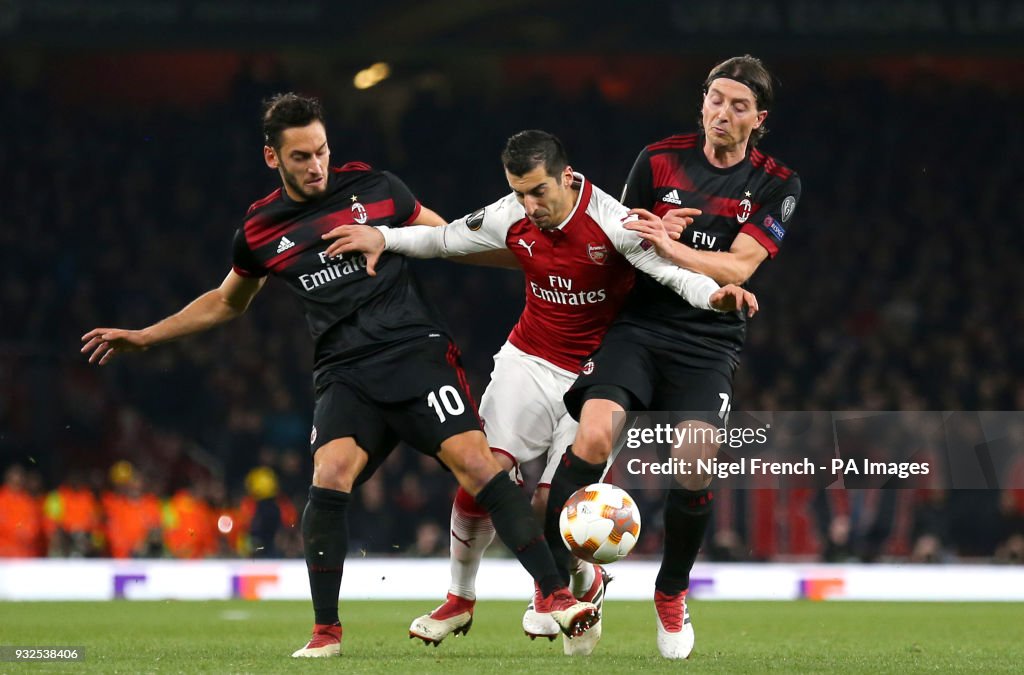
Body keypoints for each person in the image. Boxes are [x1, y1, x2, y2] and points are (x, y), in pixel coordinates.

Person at [80, 93, 599, 657]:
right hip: (344, 371)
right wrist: (146, 336)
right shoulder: (259, 231)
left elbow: (447, 239)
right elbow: (228, 303)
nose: (316, 165)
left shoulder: (377, 190)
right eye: (301, 156)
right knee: (328, 476)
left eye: (322, 150)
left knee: (478, 464)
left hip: (413, 350)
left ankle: (552, 593)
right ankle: (326, 632)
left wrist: (542, 261)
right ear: (271, 158)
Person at [322, 129, 757, 655]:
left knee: (555, 501)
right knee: (483, 475)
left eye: (539, 192)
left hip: (596, 373)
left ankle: (572, 587)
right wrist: (385, 238)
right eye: (519, 192)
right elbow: (441, 240)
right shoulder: (511, 214)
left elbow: (669, 274)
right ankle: (460, 598)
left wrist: (717, 296)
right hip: (528, 360)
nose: (530, 205)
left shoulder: (613, 221)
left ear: (566, 177)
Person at [542, 55, 802, 659]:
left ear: (757, 119)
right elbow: (627, 243)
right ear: (702, 102)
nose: (723, 113)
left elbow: (740, 266)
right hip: (639, 327)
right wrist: (651, 231)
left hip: (708, 341)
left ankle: (671, 591)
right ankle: (568, 587)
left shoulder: (776, 184)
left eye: (739, 106)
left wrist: (671, 243)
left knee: (693, 462)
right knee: (593, 439)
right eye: (716, 99)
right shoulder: (657, 159)